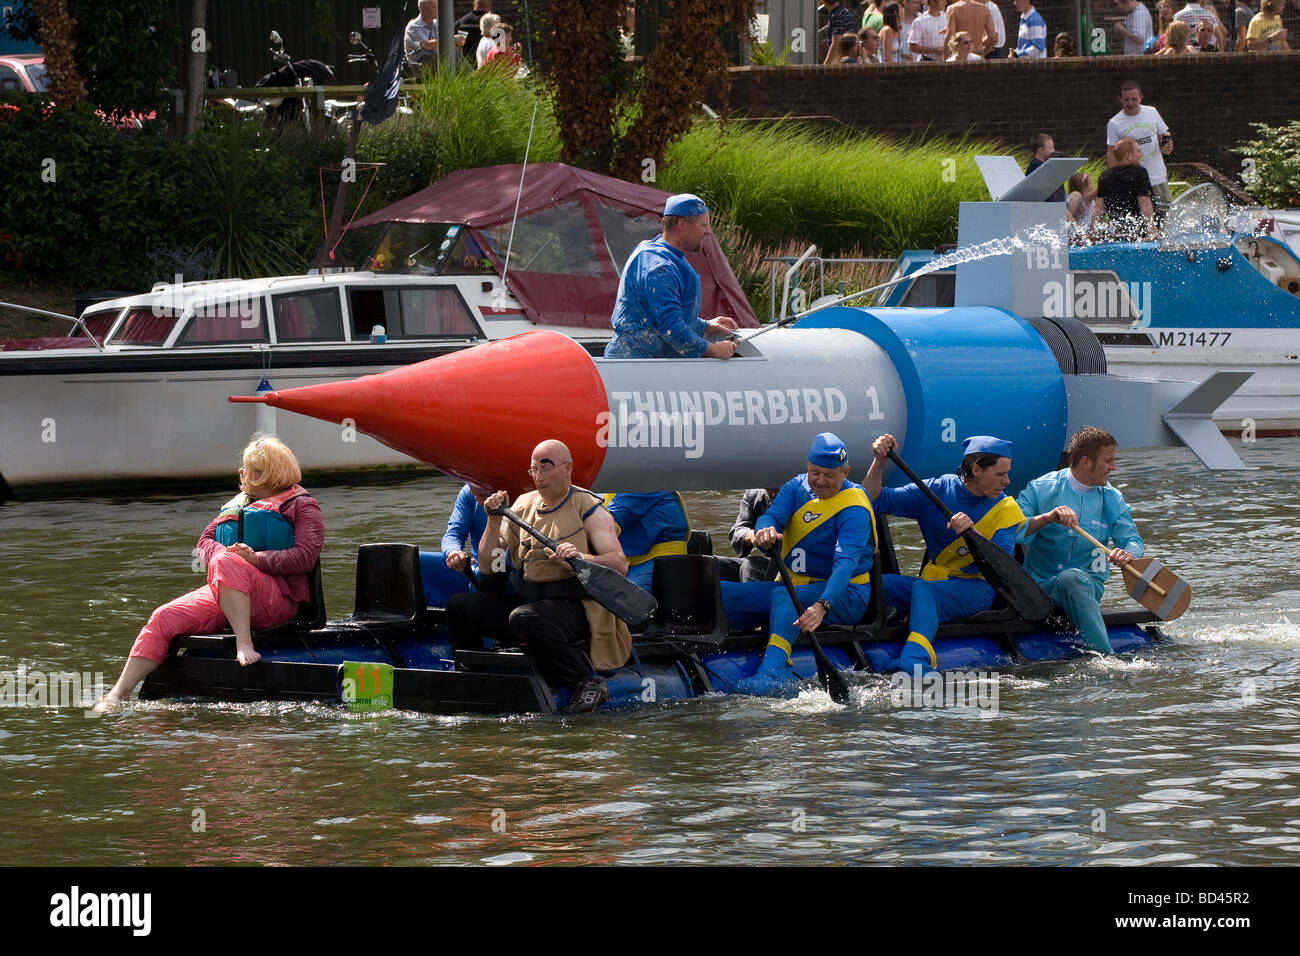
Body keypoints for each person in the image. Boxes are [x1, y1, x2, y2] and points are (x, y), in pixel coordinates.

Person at [98, 436, 324, 707]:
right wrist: (227, 556)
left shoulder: (303, 505)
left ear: (264, 474)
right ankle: (119, 693)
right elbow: (204, 542)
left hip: (279, 600)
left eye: (247, 469)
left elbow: (305, 558)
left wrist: (254, 559)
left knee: (226, 563)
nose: (241, 474)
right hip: (230, 588)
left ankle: (244, 643)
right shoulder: (239, 504)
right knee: (164, 616)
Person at [446, 440, 630, 713]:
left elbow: (619, 564)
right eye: (534, 470)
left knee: (524, 616)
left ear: (567, 469)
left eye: (546, 467)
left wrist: (582, 558)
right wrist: (493, 520)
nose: (539, 476)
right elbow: (490, 566)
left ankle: (585, 681)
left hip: (577, 607)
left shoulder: (588, 506)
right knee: (461, 606)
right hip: (531, 601)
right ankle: (473, 672)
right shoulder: (522, 505)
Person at [721, 433, 875, 695]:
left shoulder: (854, 507)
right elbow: (771, 515)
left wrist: (822, 606)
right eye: (815, 472)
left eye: (829, 475)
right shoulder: (795, 487)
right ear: (807, 465)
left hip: (845, 595)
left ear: (846, 472)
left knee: (783, 597)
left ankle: (773, 672)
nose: (820, 481)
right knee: (726, 593)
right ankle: (734, 650)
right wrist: (765, 529)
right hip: (796, 588)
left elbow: (845, 565)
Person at [863, 434, 1026, 675]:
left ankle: (915, 658)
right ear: (976, 469)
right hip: (935, 583)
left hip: (977, 590)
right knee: (870, 585)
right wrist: (879, 462)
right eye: (1000, 474)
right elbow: (872, 499)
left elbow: (1001, 571)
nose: (1007, 481)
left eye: (1007, 473)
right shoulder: (937, 489)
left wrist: (973, 535)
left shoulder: (1007, 509)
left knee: (924, 590)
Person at [1017, 427, 1144, 654]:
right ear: (1086, 461)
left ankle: (1102, 654)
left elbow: (1132, 540)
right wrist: (1048, 518)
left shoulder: (1112, 498)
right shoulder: (1040, 489)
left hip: (1089, 585)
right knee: (1068, 578)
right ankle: (1107, 658)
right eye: (1108, 461)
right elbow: (1015, 531)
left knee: (1072, 578)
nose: (1113, 468)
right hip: (1039, 587)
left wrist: (1128, 553)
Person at [603, 194, 739, 359]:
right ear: (682, 224)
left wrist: (705, 325)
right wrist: (715, 350)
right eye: (704, 225)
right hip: (639, 365)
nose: (708, 233)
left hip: (632, 359)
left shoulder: (650, 251)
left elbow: (658, 316)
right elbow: (672, 330)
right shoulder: (662, 269)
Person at [419, 482, 491, 608]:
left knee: (483, 572)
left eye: (483, 495)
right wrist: (453, 552)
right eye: (474, 494)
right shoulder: (467, 492)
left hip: (500, 569)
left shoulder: (520, 498)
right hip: (474, 569)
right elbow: (453, 534)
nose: (477, 500)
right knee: (415, 561)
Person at [602, 492, 690, 591]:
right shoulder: (608, 489)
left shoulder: (647, 483)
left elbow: (607, 519)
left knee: (624, 600)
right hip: (629, 562)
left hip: (660, 562)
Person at [1106, 80, 1174, 207]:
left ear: (1141, 98)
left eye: (1134, 99)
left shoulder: (1152, 112)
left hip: (1157, 176)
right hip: (1132, 180)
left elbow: (1163, 137)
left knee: (1164, 216)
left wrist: (1168, 146)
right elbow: (1111, 153)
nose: (1130, 103)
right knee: (1139, 219)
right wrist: (1114, 178)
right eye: (1126, 100)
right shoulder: (1114, 123)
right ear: (1120, 99)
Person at [1093, 137, 1156, 239]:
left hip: (1117, 234)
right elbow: (1144, 202)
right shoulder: (1139, 173)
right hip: (1139, 234)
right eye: (1138, 151)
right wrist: (1152, 230)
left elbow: (1099, 208)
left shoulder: (1105, 176)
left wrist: (1093, 232)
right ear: (1128, 155)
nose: (1141, 155)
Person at [724, 488, 780, 583]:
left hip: (797, 564)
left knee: (750, 565)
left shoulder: (808, 492)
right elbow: (737, 531)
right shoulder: (754, 494)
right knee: (713, 565)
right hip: (769, 562)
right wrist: (752, 535)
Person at [1025, 133, 1067, 202]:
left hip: (1058, 202)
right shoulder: (1036, 166)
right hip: (1047, 205)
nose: (1053, 151)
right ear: (1041, 150)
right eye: (1051, 148)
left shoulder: (1046, 166)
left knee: (1076, 196)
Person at [404, 0, 440, 68]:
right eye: (434, 7)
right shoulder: (414, 26)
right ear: (424, 10)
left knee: (452, 51)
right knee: (450, 54)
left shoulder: (436, 23)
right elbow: (427, 45)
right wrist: (451, 39)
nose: (438, 9)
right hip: (419, 65)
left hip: (434, 60)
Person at [455, 0, 492, 66]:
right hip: (484, 65)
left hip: (462, 65)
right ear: (489, 6)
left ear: (474, 5)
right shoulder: (491, 22)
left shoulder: (461, 21)